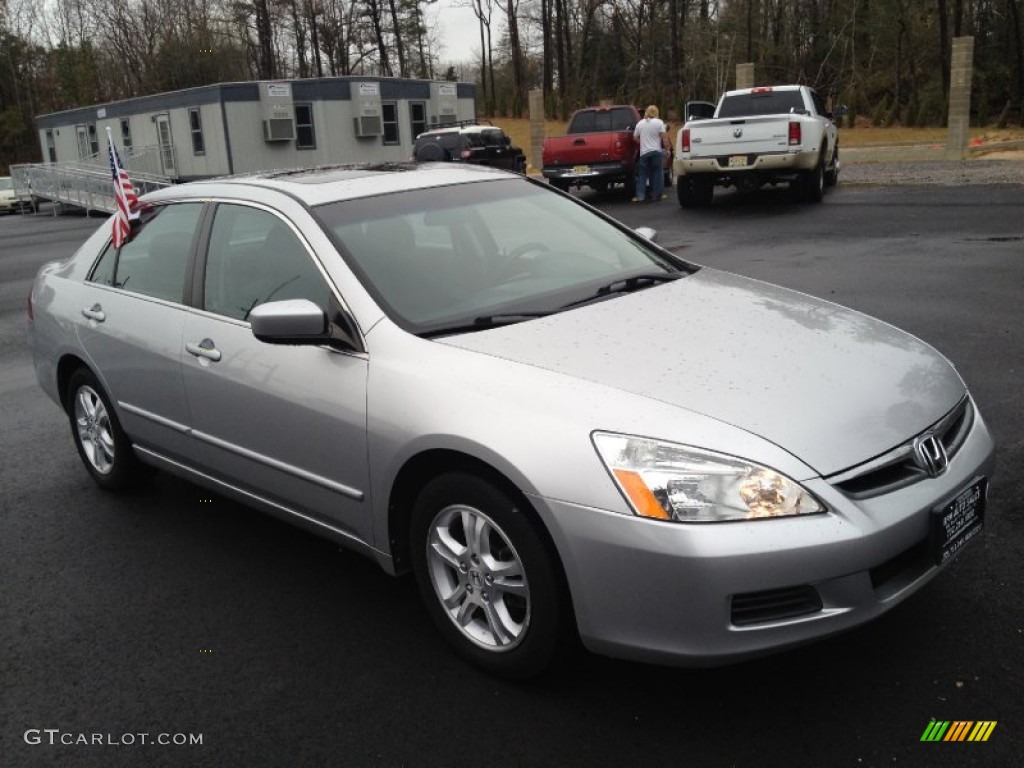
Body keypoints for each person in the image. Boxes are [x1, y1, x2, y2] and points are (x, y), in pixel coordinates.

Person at [632, 105, 670, 202]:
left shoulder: (640, 124)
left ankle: (640, 196)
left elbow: (635, 137)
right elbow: (664, 138)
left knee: (642, 175)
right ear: (656, 112)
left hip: (644, 153)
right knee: (658, 173)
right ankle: (657, 195)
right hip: (656, 152)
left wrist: (642, 142)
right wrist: (668, 149)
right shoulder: (659, 123)